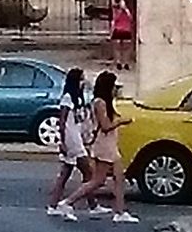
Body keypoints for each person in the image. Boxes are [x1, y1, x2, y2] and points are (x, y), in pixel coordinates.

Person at [54, 70, 129, 222]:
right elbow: (106, 126)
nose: (116, 89)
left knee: (118, 178)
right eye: (114, 86)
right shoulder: (100, 103)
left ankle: (120, 212)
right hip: (104, 144)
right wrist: (121, 122)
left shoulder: (103, 102)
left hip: (109, 143)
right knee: (96, 180)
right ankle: (67, 202)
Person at [46, 68, 92, 214]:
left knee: (65, 174)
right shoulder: (67, 98)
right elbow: (62, 120)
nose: (83, 82)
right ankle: (70, 203)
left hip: (76, 137)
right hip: (71, 140)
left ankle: (53, 205)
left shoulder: (78, 97)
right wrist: (62, 142)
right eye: (81, 79)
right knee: (88, 173)